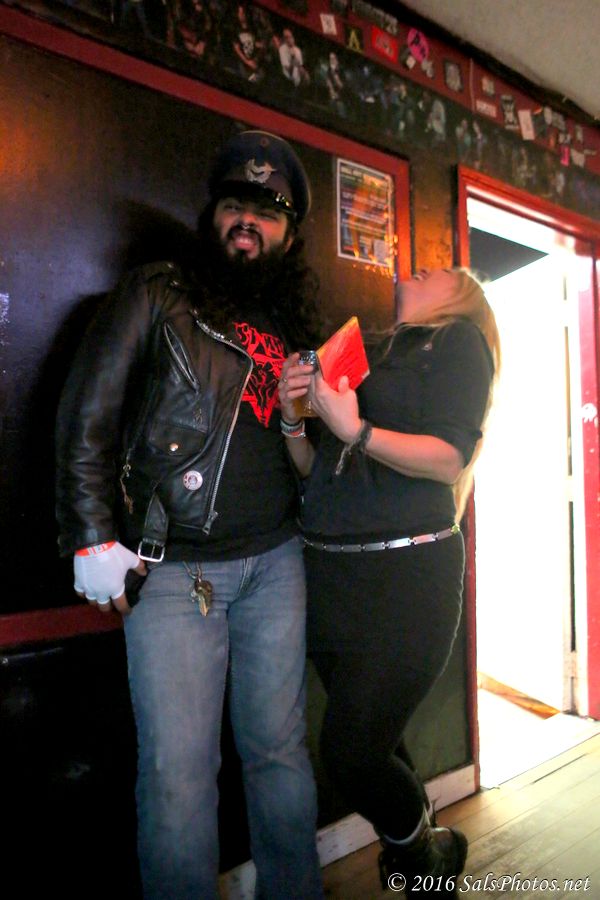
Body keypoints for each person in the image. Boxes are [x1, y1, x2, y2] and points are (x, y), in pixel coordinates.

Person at [55, 130, 325, 900]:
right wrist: (90, 535)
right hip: (175, 571)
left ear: (290, 233)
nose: (249, 221)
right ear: (213, 215)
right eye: (236, 204)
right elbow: (86, 414)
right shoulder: (159, 291)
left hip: (278, 563)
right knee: (177, 775)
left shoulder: (297, 326)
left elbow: (309, 457)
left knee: (280, 754)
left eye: (268, 211)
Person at [278, 268, 500, 897]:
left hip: (406, 580)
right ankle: (422, 857)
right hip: (331, 580)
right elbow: (317, 470)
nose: (424, 268)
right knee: (373, 739)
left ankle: (422, 853)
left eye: (444, 272)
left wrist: (357, 429)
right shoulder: (367, 348)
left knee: (348, 752)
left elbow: (449, 458)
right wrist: (294, 420)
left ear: (460, 300)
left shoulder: (458, 340)